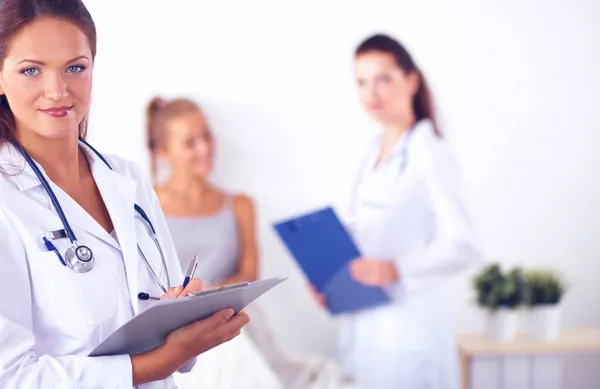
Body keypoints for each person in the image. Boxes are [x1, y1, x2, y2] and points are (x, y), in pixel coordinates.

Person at [0, 1, 248, 388]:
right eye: (31, 70)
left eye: (75, 67)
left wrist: (185, 323)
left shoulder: (125, 177)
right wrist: (158, 361)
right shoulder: (6, 201)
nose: (58, 90)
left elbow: (163, 321)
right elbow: (11, 377)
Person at [145, 96, 362, 389]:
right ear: (164, 151)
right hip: (177, 326)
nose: (205, 149)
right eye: (190, 142)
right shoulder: (144, 206)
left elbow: (249, 273)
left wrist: (209, 297)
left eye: (207, 136)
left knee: (236, 343)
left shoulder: (240, 204)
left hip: (230, 312)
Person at [308, 34, 481, 389]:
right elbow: (363, 235)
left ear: (412, 81)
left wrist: (395, 269)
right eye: (362, 82)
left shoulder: (430, 153)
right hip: (363, 328)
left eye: (383, 79)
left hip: (409, 333)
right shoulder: (372, 151)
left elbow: (464, 244)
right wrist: (332, 279)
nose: (372, 93)